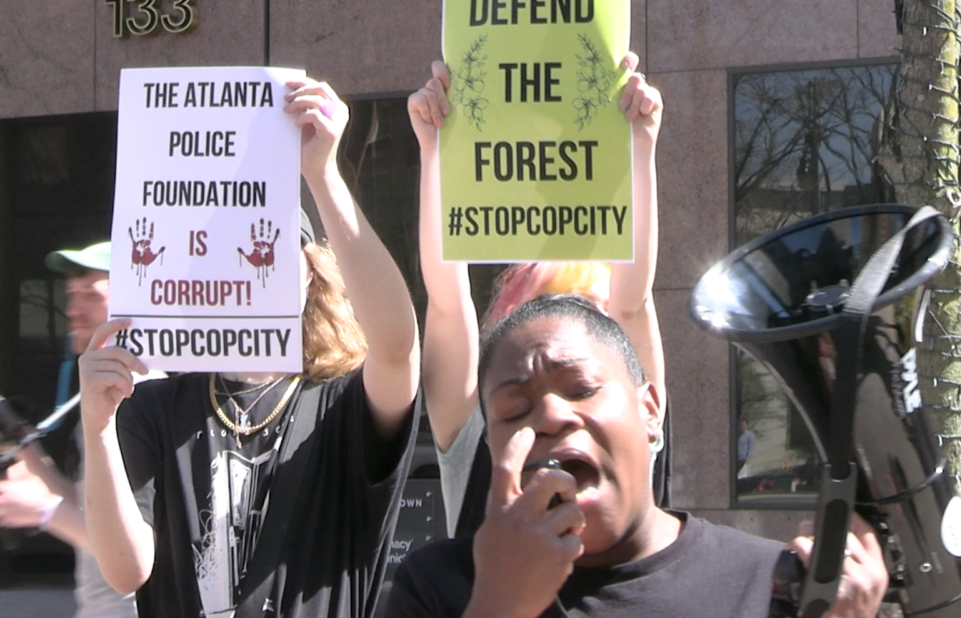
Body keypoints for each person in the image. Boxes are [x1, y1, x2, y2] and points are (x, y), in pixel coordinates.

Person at [78, 78, 422, 618]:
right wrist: (97, 430)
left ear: (309, 273)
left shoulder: (342, 406)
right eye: (214, 247)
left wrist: (322, 174)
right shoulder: (153, 409)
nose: (236, 258)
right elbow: (127, 570)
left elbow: (398, 346)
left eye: (260, 240)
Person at [385, 295, 889, 618]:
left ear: (650, 410)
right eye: (515, 411)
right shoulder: (438, 586)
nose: (551, 416)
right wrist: (501, 605)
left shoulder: (770, 585)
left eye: (580, 388)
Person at [408, 54, 667, 537]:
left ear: (646, 407)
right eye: (544, 308)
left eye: (593, 314)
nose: (554, 415)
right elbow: (447, 304)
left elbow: (634, 302)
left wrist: (640, 143)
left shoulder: (630, 411)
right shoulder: (472, 433)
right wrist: (437, 150)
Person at [0, 241, 160, 618]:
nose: (72, 310)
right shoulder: (103, 392)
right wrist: (20, 440)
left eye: (90, 295)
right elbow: (91, 510)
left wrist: (43, 511)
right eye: (71, 295)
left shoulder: (140, 396)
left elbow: (133, 550)